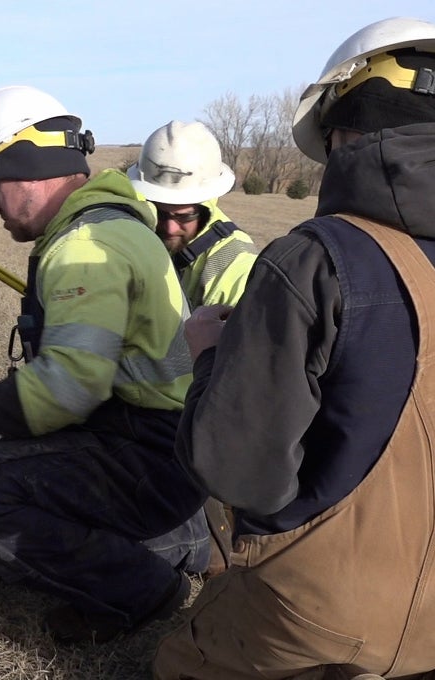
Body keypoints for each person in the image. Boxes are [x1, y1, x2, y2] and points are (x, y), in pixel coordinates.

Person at [154, 16, 435, 680]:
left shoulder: (314, 261)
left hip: (330, 626)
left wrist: (210, 359)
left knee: (175, 663)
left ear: (346, 132)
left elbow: (239, 474)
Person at [0, 84, 212, 644]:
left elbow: (67, 390)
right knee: (1, 450)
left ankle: (137, 589)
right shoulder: (119, 223)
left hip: (147, 454)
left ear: (24, 164)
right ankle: (181, 540)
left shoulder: (84, 249)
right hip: (173, 450)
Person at [127, 120, 257, 308]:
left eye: (185, 216)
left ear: (206, 203)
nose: (170, 228)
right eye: (160, 213)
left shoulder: (233, 261)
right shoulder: (134, 235)